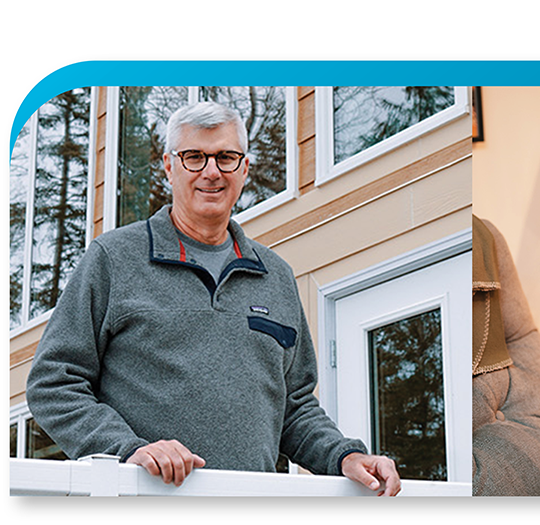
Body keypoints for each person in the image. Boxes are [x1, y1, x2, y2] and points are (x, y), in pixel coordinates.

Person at [25, 101, 401, 496]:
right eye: (194, 157)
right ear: (169, 166)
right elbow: (54, 383)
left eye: (225, 157)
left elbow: (294, 408)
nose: (211, 172)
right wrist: (127, 450)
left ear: (244, 169)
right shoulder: (114, 260)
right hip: (141, 507)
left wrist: (344, 456)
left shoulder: (276, 276)